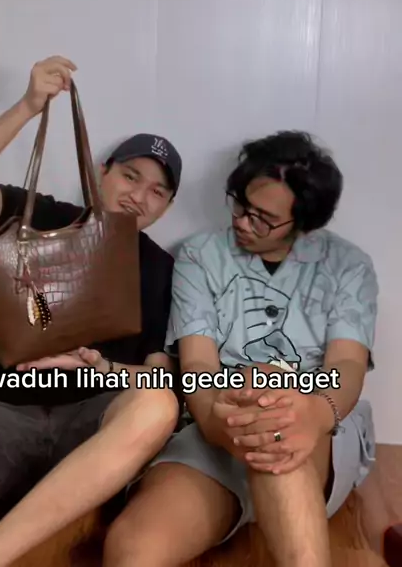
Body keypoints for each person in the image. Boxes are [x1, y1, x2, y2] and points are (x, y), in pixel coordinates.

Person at [0, 55, 181, 567]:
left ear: (167, 207)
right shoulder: (41, 217)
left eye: (157, 191)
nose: (139, 196)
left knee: (157, 404)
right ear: (102, 171)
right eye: (130, 176)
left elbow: (159, 374)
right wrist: (28, 106)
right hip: (2, 412)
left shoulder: (161, 267)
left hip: (93, 430)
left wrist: (101, 367)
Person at [103, 130, 378, 567]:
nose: (243, 223)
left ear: (303, 224)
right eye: (241, 205)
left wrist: (314, 413)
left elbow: (347, 364)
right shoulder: (200, 256)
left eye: (263, 219)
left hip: (312, 422)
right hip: (217, 417)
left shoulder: (348, 266)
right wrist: (217, 420)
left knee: (272, 411)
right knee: (133, 549)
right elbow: (197, 364)